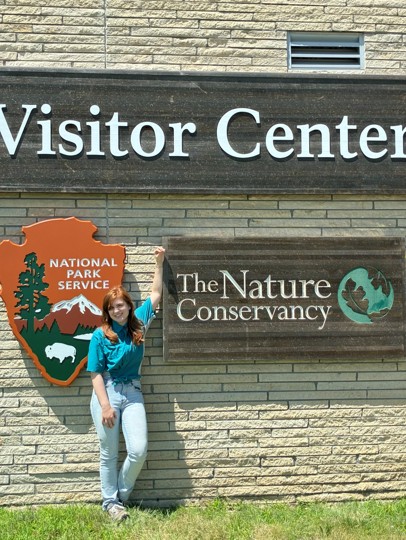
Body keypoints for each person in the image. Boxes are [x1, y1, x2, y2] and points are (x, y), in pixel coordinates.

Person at [87, 246, 165, 521]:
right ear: (107, 311)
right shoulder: (100, 335)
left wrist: (159, 263)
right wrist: (106, 406)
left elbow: (156, 294)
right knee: (108, 452)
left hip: (133, 393)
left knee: (138, 450)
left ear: (129, 306)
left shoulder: (138, 324)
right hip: (106, 393)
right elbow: (95, 373)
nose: (117, 310)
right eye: (111, 307)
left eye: (120, 305)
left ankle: (118, 497)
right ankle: (111, 503)